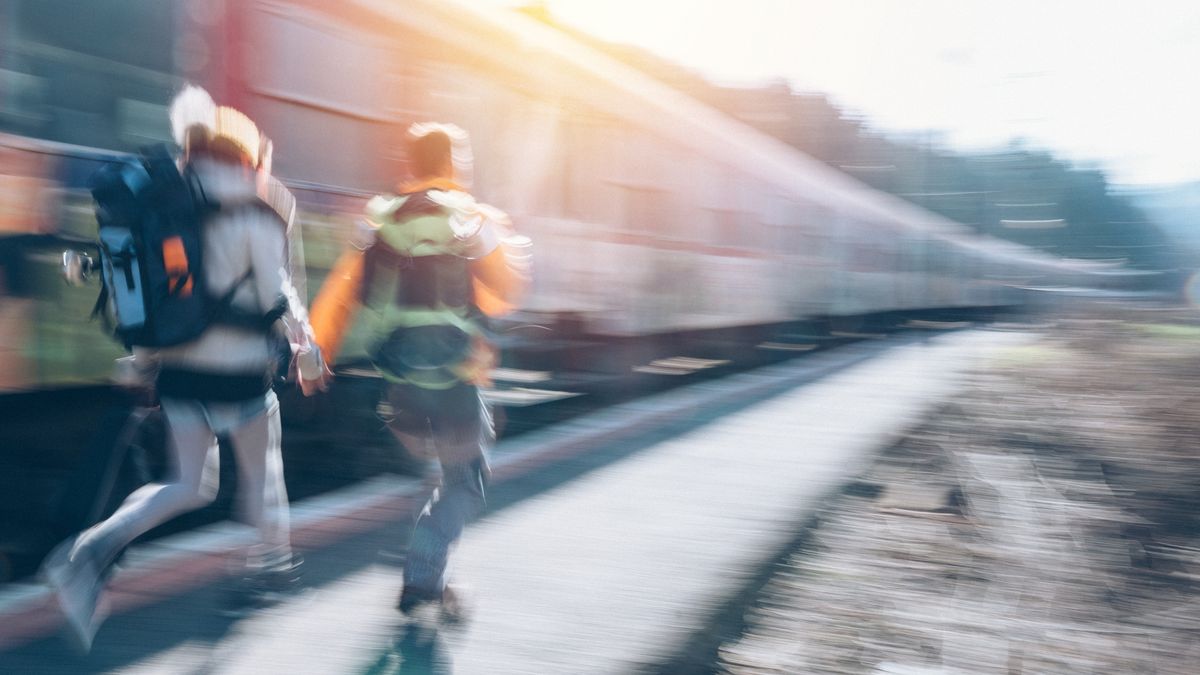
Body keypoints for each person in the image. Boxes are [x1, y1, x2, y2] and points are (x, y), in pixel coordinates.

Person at [40, 86, 329, 650]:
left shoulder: (167, 204)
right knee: (263, 468)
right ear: (248, 157)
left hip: (177, 370)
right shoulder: (259, 206)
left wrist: (142, 364)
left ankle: (88, 553)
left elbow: (155, 287)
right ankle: (269, 565)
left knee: (185, 482)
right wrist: (306, 348)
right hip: (240, 373)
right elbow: (276, 292)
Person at [309, 122, 530, 621]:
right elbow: (507, 290)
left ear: (411, 164)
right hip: (455, 379)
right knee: (466, 480)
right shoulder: (470, 217)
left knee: (437, 476)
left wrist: (318, 355)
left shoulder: (381, 218)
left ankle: (431, 572)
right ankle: (423, 573)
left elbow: (344, 293)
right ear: (454, 164)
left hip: (400, 383)